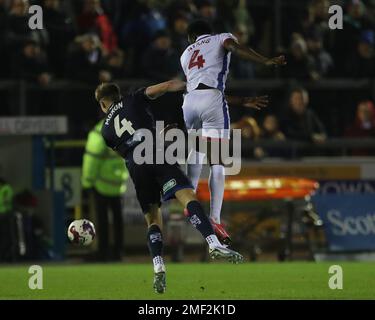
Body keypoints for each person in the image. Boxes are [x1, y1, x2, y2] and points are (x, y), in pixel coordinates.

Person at [96, 81, 244, 294]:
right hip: (154, 153)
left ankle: (158, 266)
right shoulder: (133, 98)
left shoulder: (105, 131)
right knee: (187, 196)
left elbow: (126, 150)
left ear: (103, 104)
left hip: (136, 167)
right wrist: (190, 86)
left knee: (153, 220)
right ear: (117, 95)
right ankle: (213, 243)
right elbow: (165, 86)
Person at [180, 20, 285, 244]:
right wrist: (264, 60)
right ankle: (215, 218)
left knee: (197, 150)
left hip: (189, 103)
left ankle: (187, 201)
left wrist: (243, 101)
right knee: (217, 161)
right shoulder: (221, 37)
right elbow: (234, 48)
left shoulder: (186, 54)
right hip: (212, 99)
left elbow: (201, 88)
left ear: (192, 37)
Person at [82, 119, 129, 261]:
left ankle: (102, 252)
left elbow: (91, 160)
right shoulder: (123, 129)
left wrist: (86, 182)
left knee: (101, 221)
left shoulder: (98, 132)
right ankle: (118, 252)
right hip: (118, 183)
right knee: (117, 220)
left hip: (101, 184)